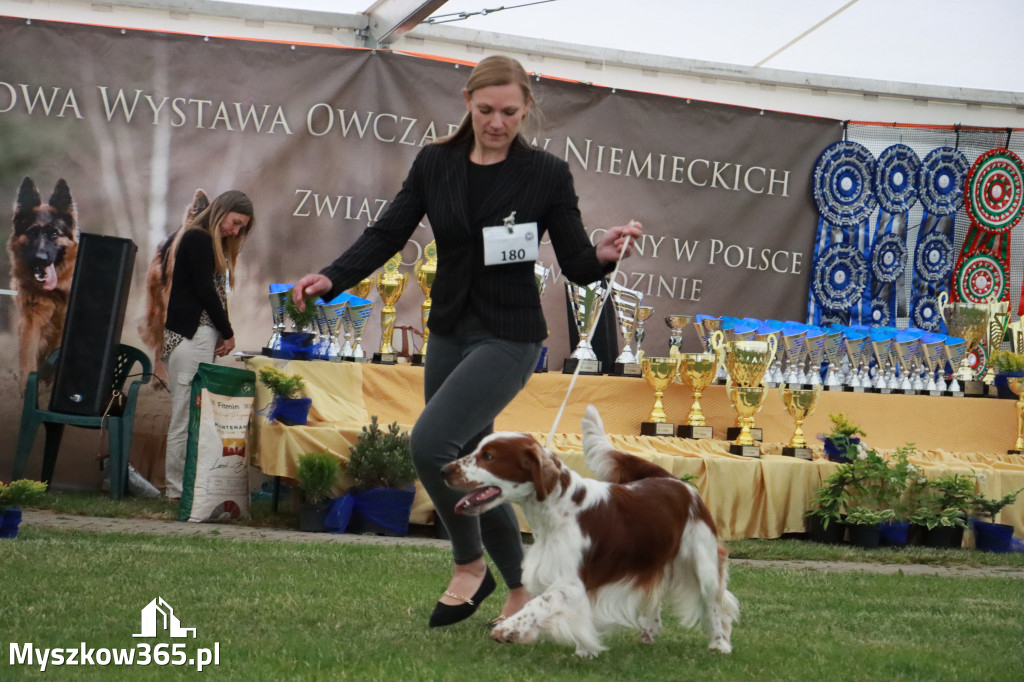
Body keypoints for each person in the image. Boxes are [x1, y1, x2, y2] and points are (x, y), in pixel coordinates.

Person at [291, 55, 641, 628]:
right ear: (466, 102)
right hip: (450, 330)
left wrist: (602, 255)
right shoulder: (436, 163)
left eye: (508, 111)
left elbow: (578, 262)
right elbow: (388, 231)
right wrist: (333, 278)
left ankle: (467, 563)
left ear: (526, 108)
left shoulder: (546, 175)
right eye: (485, 110)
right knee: (482, 464)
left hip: (510, 335)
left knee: (432, 443)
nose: (497, 122)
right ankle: (522, 587)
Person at [162, 190, 255, 501]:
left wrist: (222, 332)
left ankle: (187, 488)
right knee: (185, 418)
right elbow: (206, 292)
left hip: (199, 337)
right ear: (222, 211)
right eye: (235, 222)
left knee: (192, 418)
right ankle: (176, 491)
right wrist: (227, 331)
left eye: (242, 228)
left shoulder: (203, 241)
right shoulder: (198, 239)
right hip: (193, 336)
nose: (235, 231)